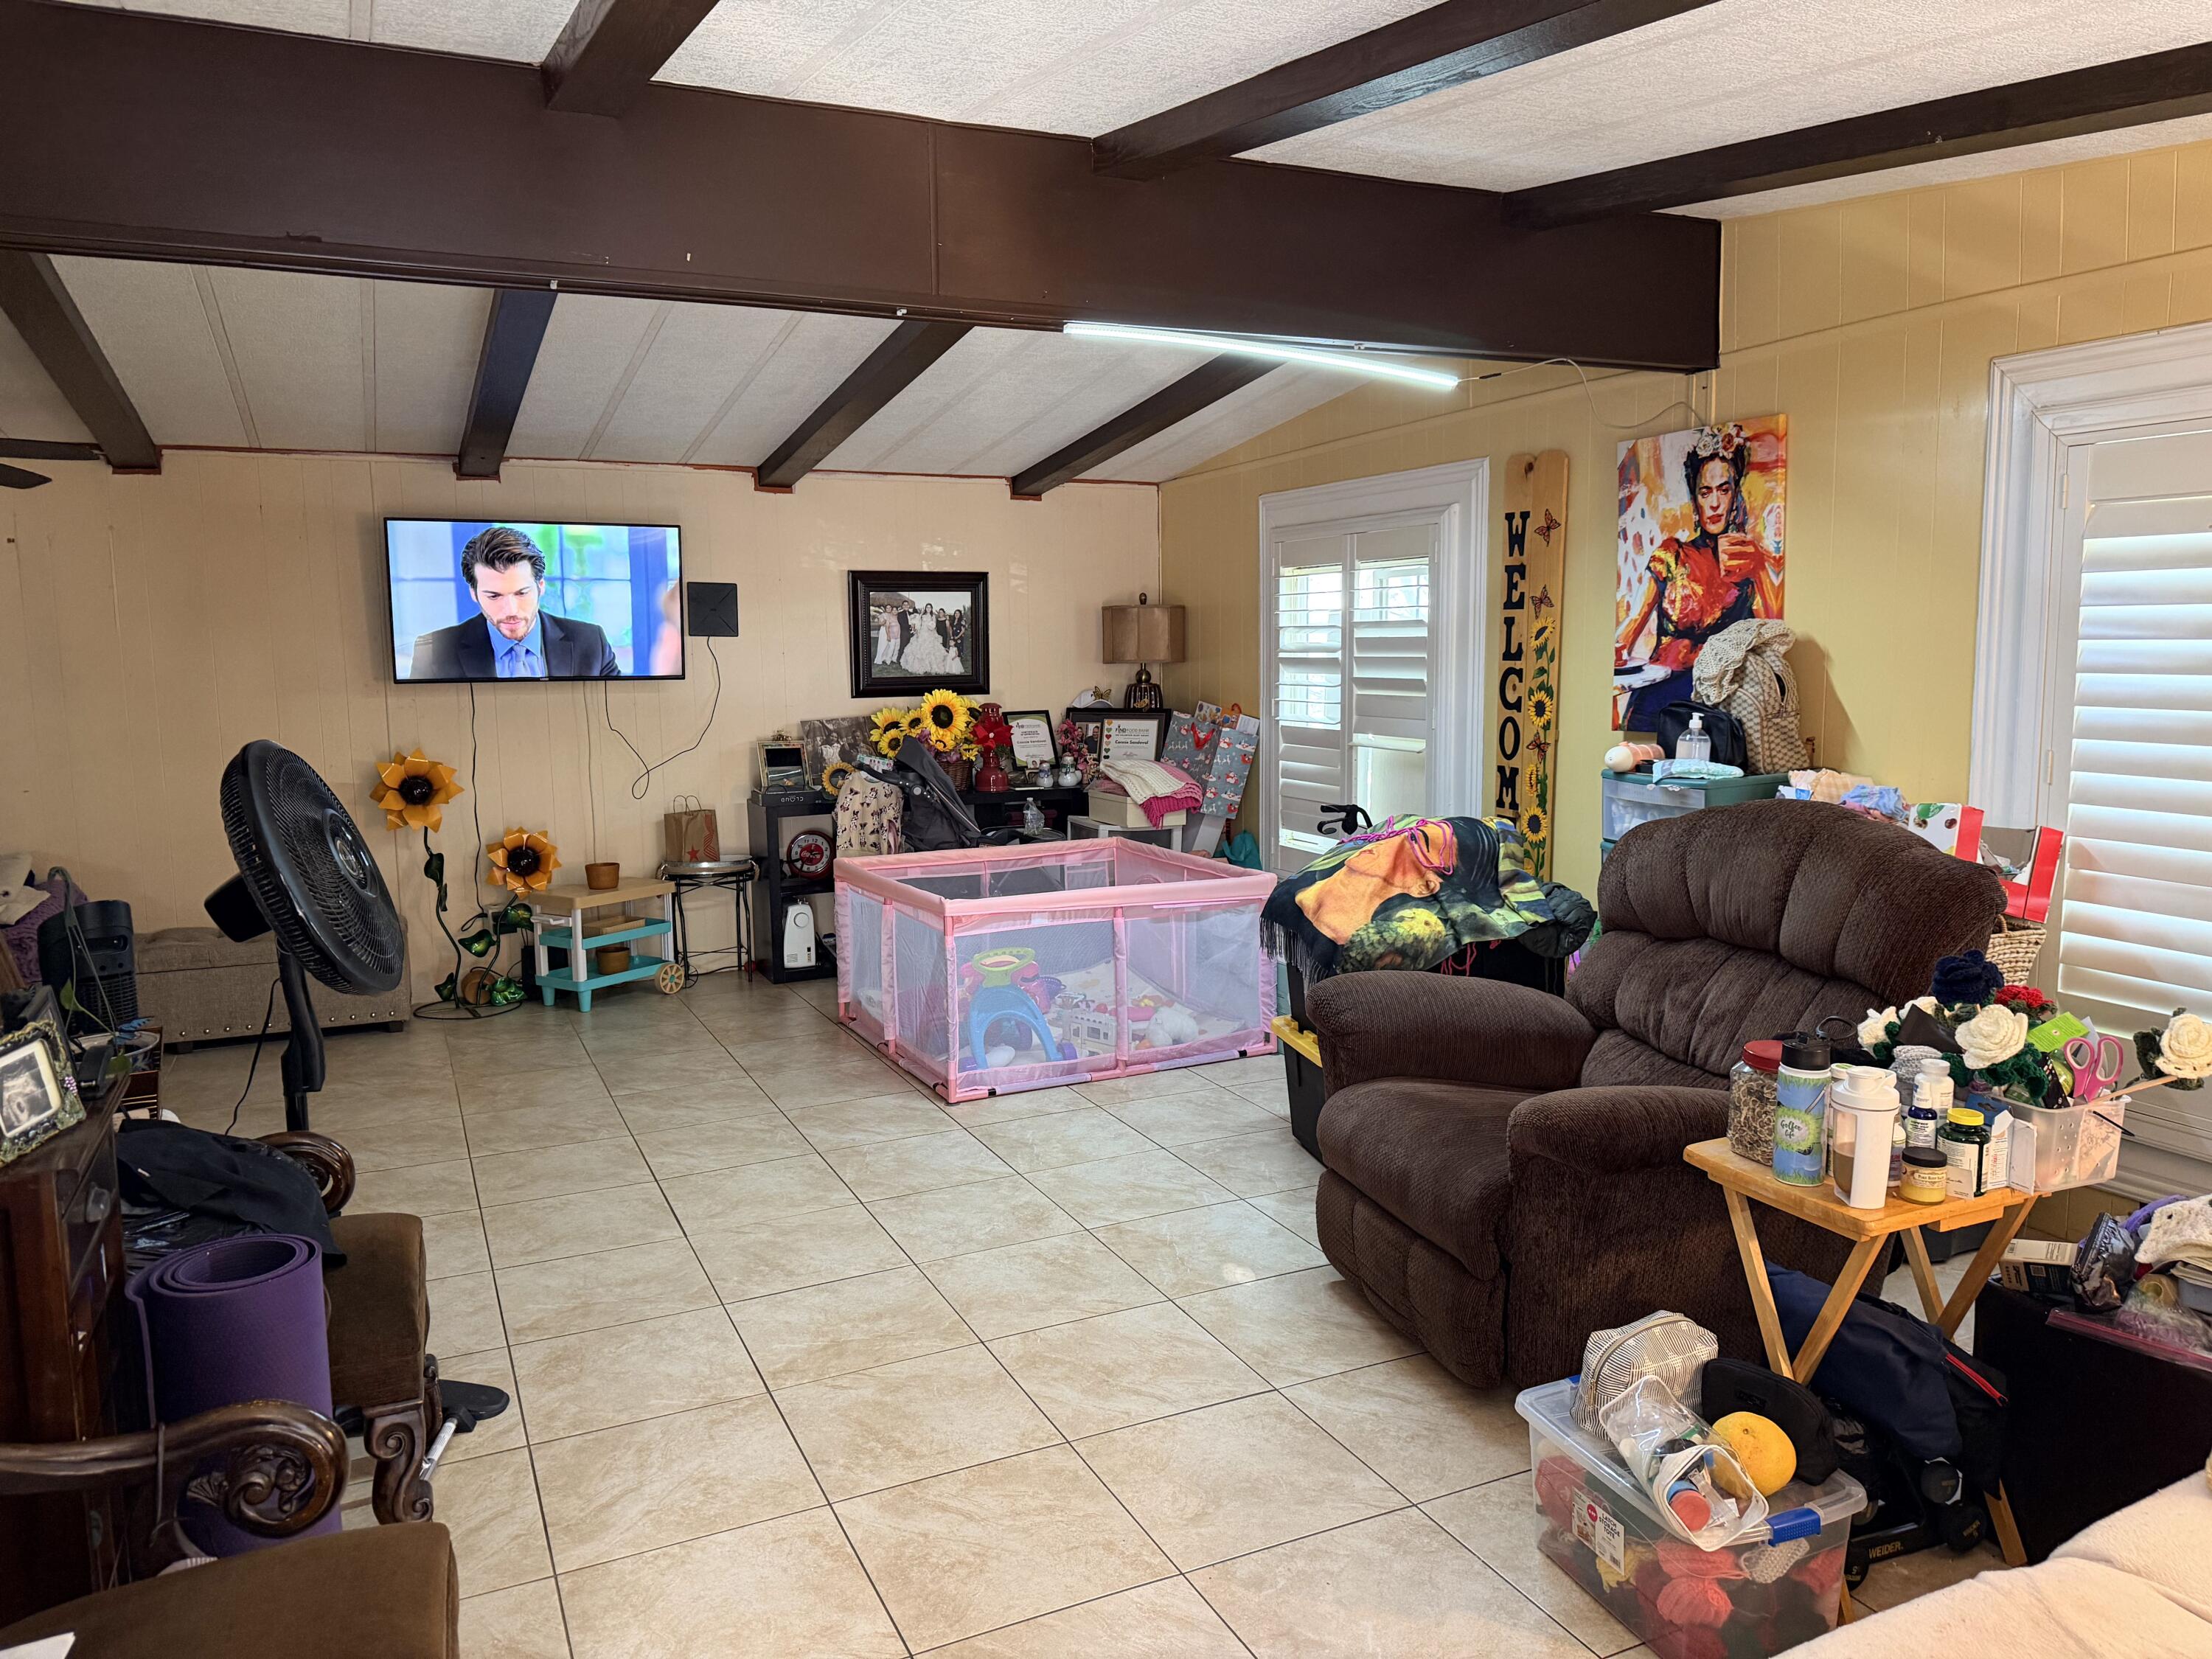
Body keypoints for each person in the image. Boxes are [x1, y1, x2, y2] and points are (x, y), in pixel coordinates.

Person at [1615, 425, 1779, 731]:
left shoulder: (1748, 560)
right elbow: (1630, 629)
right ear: (1696, 499)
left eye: (1723, 490)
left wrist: (1759, 571)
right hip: (1659, 697)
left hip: (1721, 703)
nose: (1714, 503)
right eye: (1706, 492)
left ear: (1735, 495)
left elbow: (1773, 640)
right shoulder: (1672, 554)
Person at [408, 526, 619, 680]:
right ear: (474, 593)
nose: (511, 610)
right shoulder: (434, 652)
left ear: (541, 586)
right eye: (494, 596)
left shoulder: (591, 643)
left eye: (522, 593)